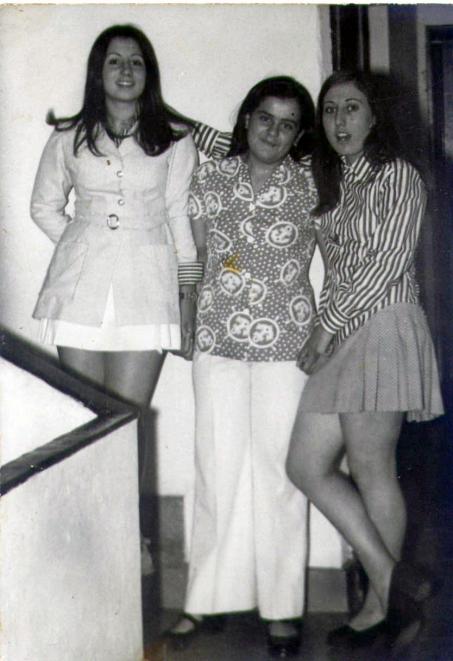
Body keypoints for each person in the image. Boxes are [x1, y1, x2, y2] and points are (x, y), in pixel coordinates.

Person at [30, 24, 202, 572]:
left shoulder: (175, 138)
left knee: (127, 421)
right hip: (79, 292)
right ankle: (82, 539)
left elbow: (179, 217)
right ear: (98, 73)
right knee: (83, 420)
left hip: (147, 289)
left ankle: (130, 537)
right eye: (114, 61)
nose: (126, 71)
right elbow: (43, 206)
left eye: (136, 62)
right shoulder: (68, 136)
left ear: (148, 73)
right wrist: (84, 244)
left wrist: (187, 293)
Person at [286, 70, 444, 654]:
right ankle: (392, 580)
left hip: (383, 325)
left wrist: (324, 326)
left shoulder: (398, 175)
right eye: (329, 111)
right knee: (305, 465)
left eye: (352, 108)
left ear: (376, 116)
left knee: (372, 466)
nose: (339, 121)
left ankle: (380, 608)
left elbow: (385, 264)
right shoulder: (332, 179)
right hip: (343, 331)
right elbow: (245, 139)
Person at [168, 76, 318, 658]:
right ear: (248, 119)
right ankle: (204, 600)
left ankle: (283, 610)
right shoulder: (212, 177)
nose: (273, 132)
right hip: (218, 340)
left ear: (299, 134)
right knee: (215, 467)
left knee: (280, 475)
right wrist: (184, 316)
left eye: (287, 124)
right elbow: (196, 256)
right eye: (265, 119)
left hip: (288, 344)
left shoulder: (313, 183)